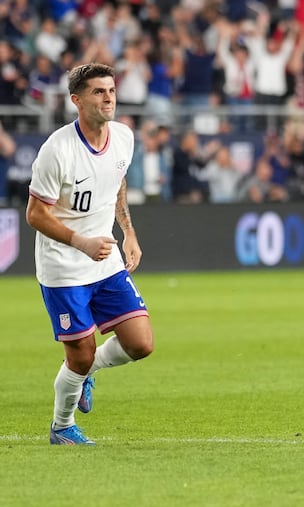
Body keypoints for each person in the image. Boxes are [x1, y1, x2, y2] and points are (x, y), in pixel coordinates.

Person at [25, 63, 154, 446]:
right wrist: (79, 242)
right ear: (76, 101)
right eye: (98, 92)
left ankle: (85, 374)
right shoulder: (57, 150)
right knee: (78, 355)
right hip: (63, 266)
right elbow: (35, 213)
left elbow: (116, 182)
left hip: (106, 259)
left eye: (111, 90)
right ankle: (62, 426)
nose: (108, 98)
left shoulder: (124, 137)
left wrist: (128, 232)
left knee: (141, 343)